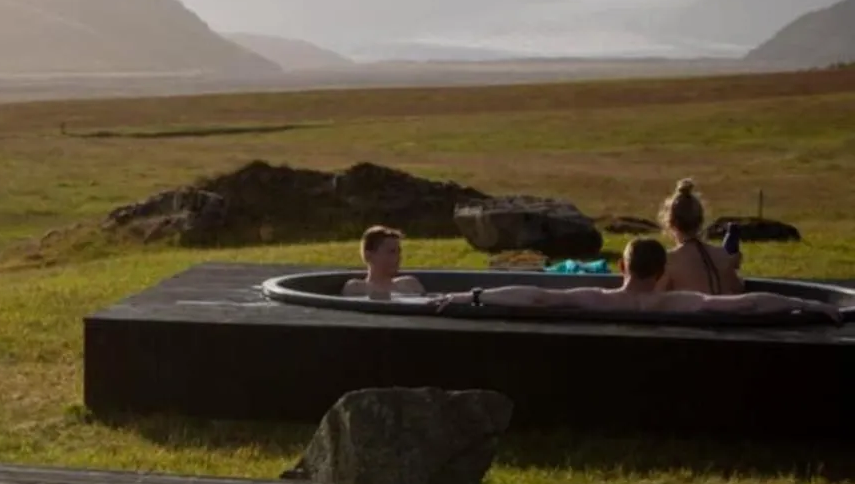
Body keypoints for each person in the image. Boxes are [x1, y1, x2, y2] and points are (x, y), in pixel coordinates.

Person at [430, 238, 843, 322]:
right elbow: (751, 303)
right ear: (664, 272)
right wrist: (810, 305)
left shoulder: (596, 299)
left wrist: (474, 294)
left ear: (622, 268)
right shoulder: (682, 304)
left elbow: (534, 295)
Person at [657, 179, 742, 295]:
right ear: (701, 221)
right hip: (722, 311)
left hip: (690, 312)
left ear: (670, 223)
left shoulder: (669, 261)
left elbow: (655, 298)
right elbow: (738, 289)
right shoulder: (721, 255)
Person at [341, 226, 424, 299]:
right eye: (391, 252)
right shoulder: (357, 288)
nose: (398, 257)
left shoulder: (410, 285)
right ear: (369, 256)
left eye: (398, 252)